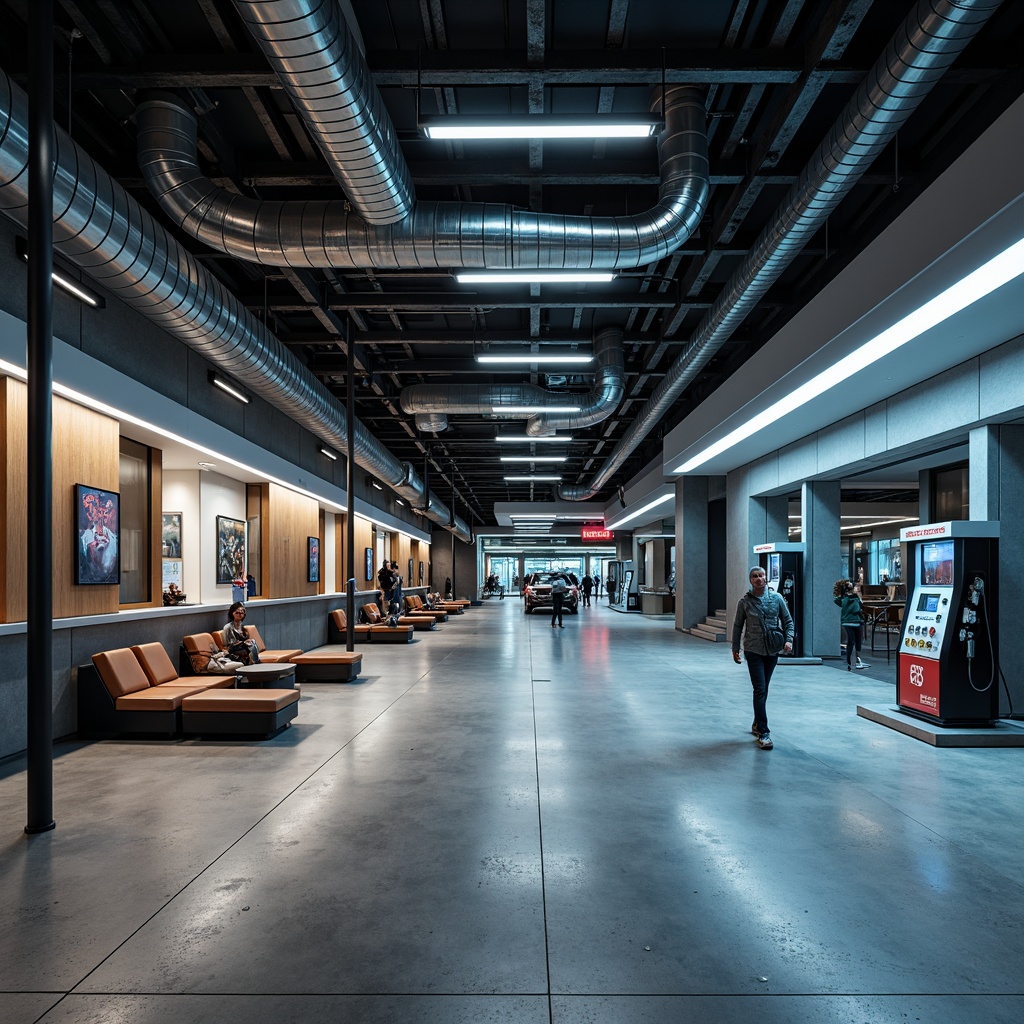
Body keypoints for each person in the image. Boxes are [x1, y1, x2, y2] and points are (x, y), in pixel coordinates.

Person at [731, 566, 794, 750]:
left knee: (764, 688)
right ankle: (764, 733)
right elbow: (737, 626)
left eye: (761, 575)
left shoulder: (777, 598)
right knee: (759, 688)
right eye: (754, 576)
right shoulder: (744, 602)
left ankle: (757, 723)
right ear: (750, 580)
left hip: (772, 650)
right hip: (753, 650)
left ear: (766, 578)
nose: (758, 579)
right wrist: (736, 649)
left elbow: (788, 621)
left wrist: (788, 640)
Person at [834, 578, 866, 671]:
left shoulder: (843, 599)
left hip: (847, 621)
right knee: (858, 641)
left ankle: (849, 661)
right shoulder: (856, 598)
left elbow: (836, 600)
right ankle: (857, 660)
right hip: (856, 621)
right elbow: (860, 605)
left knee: (851, 641)